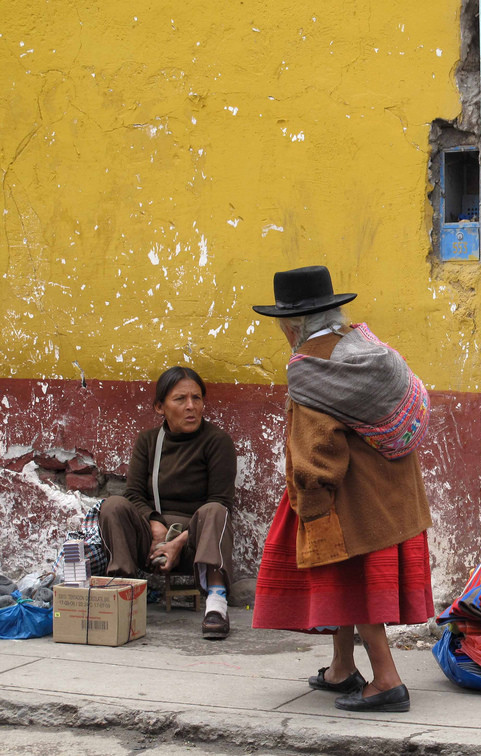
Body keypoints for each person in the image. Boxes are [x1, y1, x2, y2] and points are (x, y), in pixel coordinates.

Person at [251, 265, 434, 714]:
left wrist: (313, 509)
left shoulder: (309, 368)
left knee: (354, 587)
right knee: (344, 585)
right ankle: (340, 668)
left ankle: (387, 680)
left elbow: (316, 450)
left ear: (291, 325)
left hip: (354, 501)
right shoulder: (363, 347)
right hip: (396, 495)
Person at [98, 366, 237, 640]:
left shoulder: (216, 442)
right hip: (151, 541)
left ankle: (216, 605)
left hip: (195, 544)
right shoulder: (148, 442)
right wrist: (154, 525)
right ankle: (121, 592)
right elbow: (133, 494)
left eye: (197, 398)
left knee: (216, 510)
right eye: (180, 399)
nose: (191, 407)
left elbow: (221, 501)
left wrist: (177, 542)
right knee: (113, 505)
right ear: (160, 407)